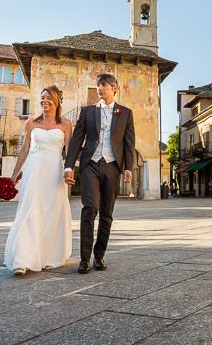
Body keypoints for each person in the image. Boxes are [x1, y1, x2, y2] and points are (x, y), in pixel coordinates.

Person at [64, 73, 135, 273]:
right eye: (98, 85)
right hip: (90, 165)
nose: (100, 89)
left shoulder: (126, 113)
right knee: (90, 208)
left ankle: (99, 256)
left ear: (115, 88)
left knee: (106, 213)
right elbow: (77, 139)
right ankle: (84, 259)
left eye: (104, 85)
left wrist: (128, 167)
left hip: (112, 166)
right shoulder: (87, 112)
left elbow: (129, 143)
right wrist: (69, 165)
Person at [4, 85, 72, 276]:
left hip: (54, 172)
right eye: (42, 98)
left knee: (51, 212)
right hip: (34, 169)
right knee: (30, 209)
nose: (45, 101)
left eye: (49, 98)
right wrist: (14, 175)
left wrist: (70, 171)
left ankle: (50, 255)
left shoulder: (66, 124)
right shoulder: (31, 123)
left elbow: (70, 152)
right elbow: (24, 150)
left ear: (57, 101)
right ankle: (22, 259)